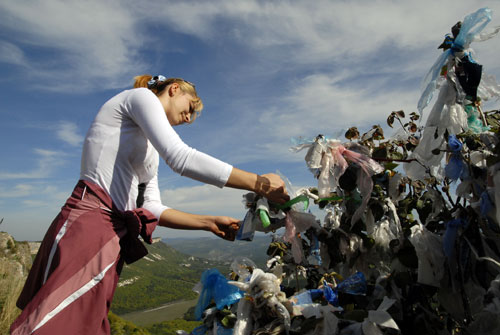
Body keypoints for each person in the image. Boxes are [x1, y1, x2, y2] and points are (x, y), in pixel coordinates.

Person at [10, 74, 289, 335]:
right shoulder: (140, 97)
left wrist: (207, 222)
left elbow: (151, 207)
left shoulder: (149, 150)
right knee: (54, 323)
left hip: (111, 237)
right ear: (174, 89)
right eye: (191, 107)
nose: (190, 118)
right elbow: (181, 157)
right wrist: (260, 183)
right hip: (90, 221)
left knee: (84, 324)